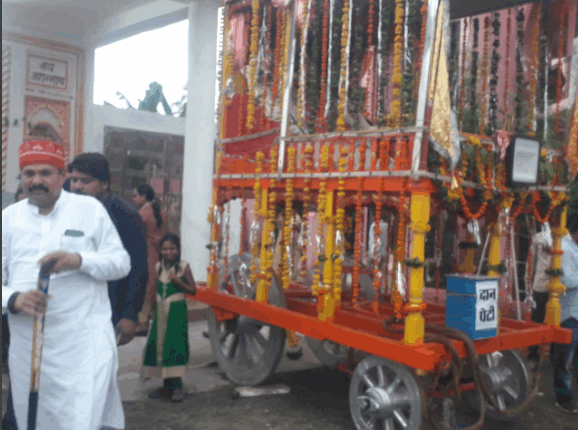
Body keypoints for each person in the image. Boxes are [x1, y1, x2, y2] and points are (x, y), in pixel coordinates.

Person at [2, 140, 130, 429]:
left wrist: (80, 260)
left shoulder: (90, 210)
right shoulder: (9, 218)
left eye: (45, 173)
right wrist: (13, 299)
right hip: (28, 346)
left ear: (63, 176)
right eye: (29, 173)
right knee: (32, 419)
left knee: (80, 418)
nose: (36, 180)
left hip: (82, 345)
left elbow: (121, 263)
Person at [68, 153, 149, 345]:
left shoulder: (125, 216)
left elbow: (137, 268)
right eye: (74, 180)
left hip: (109, 307)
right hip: (71, 308)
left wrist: (130, 314)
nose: (77, 186)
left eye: (85, 181)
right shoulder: (66, 210)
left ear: (104, 183)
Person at [141, 233, 196, 402]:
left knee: (175, 344)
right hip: (161, 311)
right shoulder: (159, 266)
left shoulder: (183, 267)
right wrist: (149, 311)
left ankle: (177, 386)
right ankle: (167, 386)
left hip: (176, 311)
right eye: (165, 249)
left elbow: (193, 290)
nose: (168, 252)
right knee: (161, 345)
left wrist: (177, 281)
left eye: (172, 248)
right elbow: (155, 289)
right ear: (160, 251)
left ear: (178, 250)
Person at [551, 215, 578, 414]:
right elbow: (566, 281)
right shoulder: (566, 248)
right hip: (569, 314)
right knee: (564, 360)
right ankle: (563, 398)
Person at [132, 184, 168, 333]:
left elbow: (135, 236)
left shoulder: (142, 214)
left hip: (147, 254)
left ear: (143, 197)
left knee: (145, 289)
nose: (133, 199)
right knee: (155, 288)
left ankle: (143, 324)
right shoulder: (162, 212)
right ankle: (152, 322)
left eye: (135, 195)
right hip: (161, 254)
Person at [528, 229, 553, 362]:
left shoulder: (567, 238)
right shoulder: (539, 238)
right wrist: (531, 283)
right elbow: (533, 261)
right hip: (540, 284)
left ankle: (555, 356)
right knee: (536, 320)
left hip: (560, 286)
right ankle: (532, 354)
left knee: (558, 322)